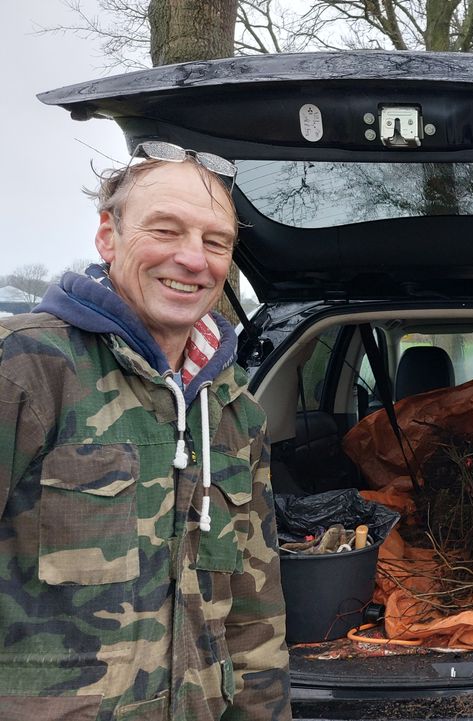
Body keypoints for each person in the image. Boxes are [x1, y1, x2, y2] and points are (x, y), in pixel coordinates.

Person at [0, 142, 291, 720]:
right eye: (165, 230)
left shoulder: (234, 411)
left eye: (216, 242)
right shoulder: (27, 368)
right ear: (108, 235)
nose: (193, 259)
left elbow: (254, 627)